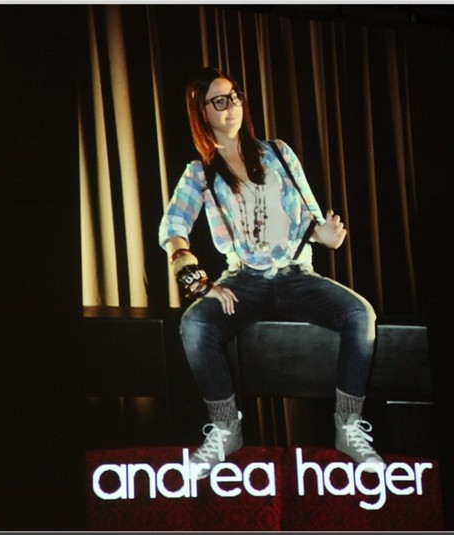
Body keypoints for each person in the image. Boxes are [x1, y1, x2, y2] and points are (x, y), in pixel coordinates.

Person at [159, 66, 383, 479]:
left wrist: (325, 235)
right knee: (195, 325)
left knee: (360, 314)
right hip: (243, 279)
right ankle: (226, 428)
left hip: (296, 275)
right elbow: (173, 228)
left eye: (235, 97)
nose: (232, 107)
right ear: (201, 112)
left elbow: (312, 217)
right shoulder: (200, 171)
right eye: (219, 101)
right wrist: (197, 281)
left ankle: (348, 425)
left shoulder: (278, 153)